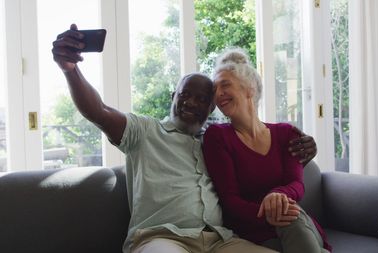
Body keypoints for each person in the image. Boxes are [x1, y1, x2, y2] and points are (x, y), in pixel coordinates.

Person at [52, 24, 317, 253]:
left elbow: (265, 163)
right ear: (173, 96)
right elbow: (99, 111)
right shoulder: (145, 132)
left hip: (219, 240)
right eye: (185, 94)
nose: (191, 102)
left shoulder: (216, 141)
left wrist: (305, 149)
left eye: (203, 99)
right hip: (163, 239)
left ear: (211, 108)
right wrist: (70, 70)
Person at [202, 48, 332, 253]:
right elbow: (231, 201)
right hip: (252, 232)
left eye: (225, 85)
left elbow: (297, 184)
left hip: (293, 223)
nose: (218, 94)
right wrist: (271, 211)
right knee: (289, 215)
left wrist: (277, 195)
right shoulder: (217, 137)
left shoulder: (286, 133)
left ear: (249, 89)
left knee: (290, 214)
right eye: (215, 89)